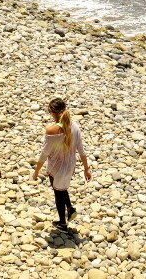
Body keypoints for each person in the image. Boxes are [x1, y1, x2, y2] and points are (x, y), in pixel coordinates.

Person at [32, 98, 91, 231]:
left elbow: (44, 154)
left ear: (52, 113)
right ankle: (70, 209)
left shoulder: (52, 131)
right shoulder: (75, 126)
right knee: (62, 188)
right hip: (70, 166)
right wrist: (86, 169)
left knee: (58, 193)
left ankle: (63, 223)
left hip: (57, 168)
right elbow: (81, 150)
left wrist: (36, 171)